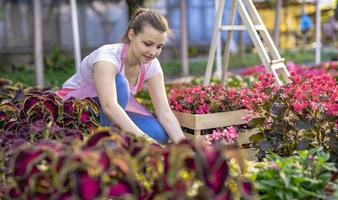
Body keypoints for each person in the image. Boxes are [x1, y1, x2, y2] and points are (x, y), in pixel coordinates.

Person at [57, 8, 186, 144]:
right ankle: (106, 146)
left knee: (159, 135)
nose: (153, 52)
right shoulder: (107, 58)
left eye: (159, 46)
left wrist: (186, 146)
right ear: (131, 35)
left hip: (107, 111)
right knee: (120, 84)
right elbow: (109, 107)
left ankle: (118, 138)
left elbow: (164, 112)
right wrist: (146, 141)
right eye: (148, 44)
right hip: (75, 108)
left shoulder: (152, 65)